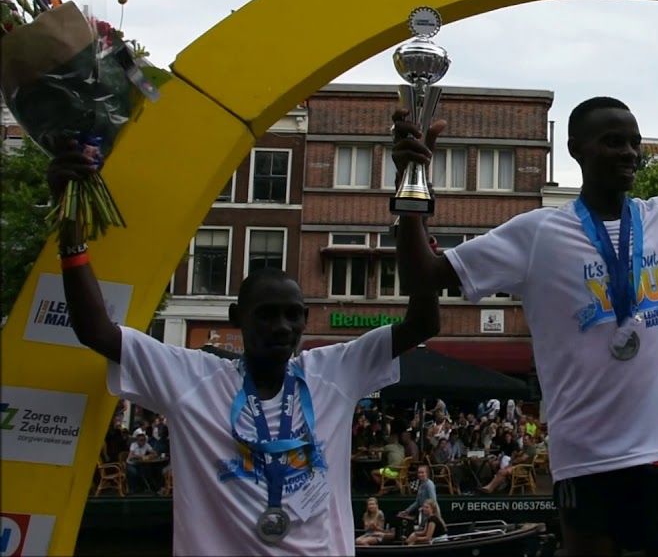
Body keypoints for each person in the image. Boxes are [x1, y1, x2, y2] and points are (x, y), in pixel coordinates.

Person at [391, 86, 658, 556]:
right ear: (576, 149)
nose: (628, 152)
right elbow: (423, 274)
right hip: (587, 459)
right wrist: (410, 181)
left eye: (634, 141)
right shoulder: (537, 234)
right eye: (612, 141)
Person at [49, 136, 442, 554]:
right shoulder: (192, 378)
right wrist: (72, 238)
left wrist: (411, 192)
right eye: (267, 314)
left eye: (293, 314)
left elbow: (422, 323)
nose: (282, 326)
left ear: (306, 320)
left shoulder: (332, 372)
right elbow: (96, 330)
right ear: (237, 318)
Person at [126, 428, 159, 494]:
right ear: (137, 440)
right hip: (131, 464)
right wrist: (141, 456)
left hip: (140, 464)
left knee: (148, 471)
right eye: (141, 440)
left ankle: (148, 488)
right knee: (134, 473)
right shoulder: (133, 445)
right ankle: (132, 490)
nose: (143, 442)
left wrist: (149, 456)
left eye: (144, 440)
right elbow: (131, 456)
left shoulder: (146, 445)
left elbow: (155, 453)